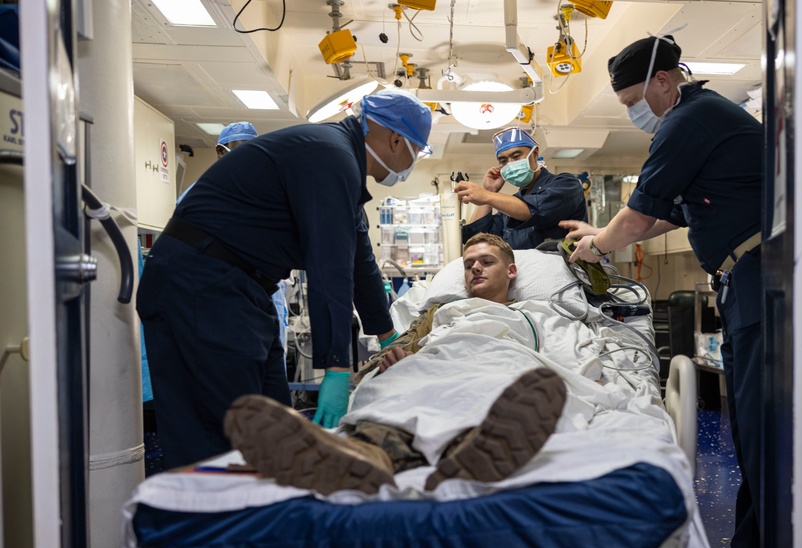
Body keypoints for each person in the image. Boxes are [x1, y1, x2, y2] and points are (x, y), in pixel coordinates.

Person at [563, 34, 767, 548]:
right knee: (753, 428)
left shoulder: (688, 121)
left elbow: (633, 218)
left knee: (767, 428)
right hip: (751, 278)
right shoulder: (700, 120)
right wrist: (600, 234)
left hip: (768, 280)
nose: (635, 112)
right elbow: (663, 216)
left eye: (635, 99)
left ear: (663, 81)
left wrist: (601, 245)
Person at [137, 89, 431, 471]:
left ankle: (261, 516)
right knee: (220, 436)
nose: (411, 162)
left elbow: (360, 260)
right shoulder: (330, 155)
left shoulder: (341, 167)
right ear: (396, 139)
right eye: (417, 151)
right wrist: (337, 369)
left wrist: (390, 337)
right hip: (200, 287)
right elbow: (330, 266)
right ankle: (210, 522)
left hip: (241, 292)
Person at [225, 233, 568, 494]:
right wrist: (388, 361)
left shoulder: (536, 312)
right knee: (399, 387)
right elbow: (388, 354)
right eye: (467, 264)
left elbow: (568, 353)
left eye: (486, 262)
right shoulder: (437, 313)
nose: (474, 267)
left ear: (511, 271)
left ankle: (467, 447)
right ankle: (365, 455)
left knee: (489, 389)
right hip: (437, 362)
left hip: (496, 361)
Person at [455, 127, 587, 249]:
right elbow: (477, 240)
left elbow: (533, 210)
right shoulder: (508, 212)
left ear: (535, 154)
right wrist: (490, 190)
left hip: (560, 272)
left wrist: (485, 195)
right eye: (503, 161)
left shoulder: (566, 184)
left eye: (516, 156)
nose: (510, 164)